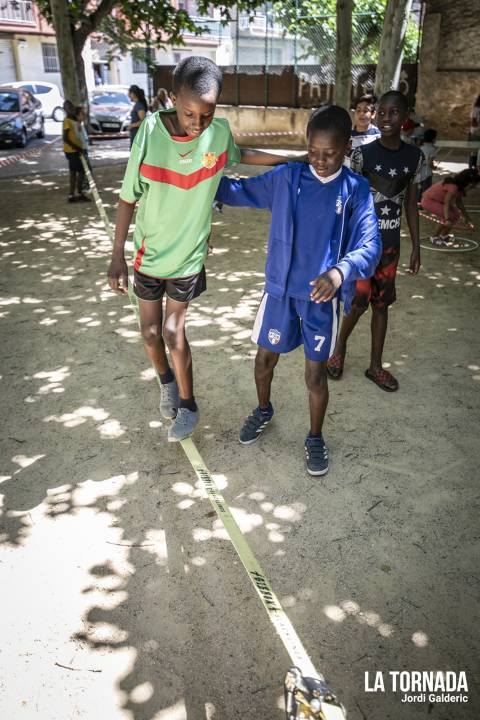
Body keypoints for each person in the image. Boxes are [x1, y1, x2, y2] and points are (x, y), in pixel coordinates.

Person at [107, 56, 303, 442]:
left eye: (207, 115)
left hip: (189, 256)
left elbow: (241, 154)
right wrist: (117, 256)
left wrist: (291, 159)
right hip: (149, 254)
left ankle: (188, 403)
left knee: (172, 330)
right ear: (172, 98)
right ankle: (166, 381)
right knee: (149, 333)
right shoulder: (148, 131)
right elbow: (128, 199)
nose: (197, 124)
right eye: (189, 113)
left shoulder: (217, 133)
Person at [215, 106, 381, 476]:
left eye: (330, 154)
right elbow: (240, 191)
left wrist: (339, 274)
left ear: (346, 148)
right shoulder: (288, 178)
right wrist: (201, 181)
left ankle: (315, 437)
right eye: (313, 152)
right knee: (263, 361)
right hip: (279, 293)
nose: (320, 161)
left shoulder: (355, 189)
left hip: (320, 302)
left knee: (315, 376)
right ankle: (262, 410)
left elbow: (370, 246)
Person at [327, 91, 428, 393]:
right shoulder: (362, 154)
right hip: (361, 246)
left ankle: (375, 366)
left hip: (390, 246)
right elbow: (347, 199)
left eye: (394, 112)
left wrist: (417, 247)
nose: (386, 118)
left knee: (381, 305)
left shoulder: (415, 157)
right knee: (358, 301)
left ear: (406, 114)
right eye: (381, 112)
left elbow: (411, 204)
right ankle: (339, 349)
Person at [420, 168, 478, 244]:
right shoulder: (453, 187)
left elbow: (459, 203)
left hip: (439, 202)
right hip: (429, 201)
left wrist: (467, 218)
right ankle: (434, 237)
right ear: (466, 182)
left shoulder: (459, 188)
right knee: (448, 216)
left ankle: (444, 235)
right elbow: (447, 202)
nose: (473, 188)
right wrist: (447, 219)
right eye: (472, 186)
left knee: (456, 215)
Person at [62, 100, 90, 203]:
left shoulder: (74, 120)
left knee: (77, 172)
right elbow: (65, 138)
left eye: (71, 107)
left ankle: (74, 194)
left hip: (76, 149)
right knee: (78, 171)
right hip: (72, 151)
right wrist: (76, 147)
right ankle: (76, 193)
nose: (70, 110)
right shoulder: (67, 121)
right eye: (67, 108)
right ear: (65, 110)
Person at [418, 128, 437, 199]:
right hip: (427, 173)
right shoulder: (432, 149)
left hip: (419, 172)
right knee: (426, 190)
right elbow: (429, 163)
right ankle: (424, 203)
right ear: (432, 138)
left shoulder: (421, 147)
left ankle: (418, 203)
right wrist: (434, 167)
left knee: (419, 189)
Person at [468, 95, 480, 170]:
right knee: (474, 151)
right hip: (476, 132)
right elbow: (473, 122)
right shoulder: (476, 109)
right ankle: (472, 169)